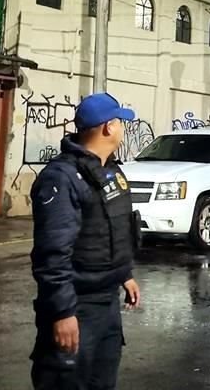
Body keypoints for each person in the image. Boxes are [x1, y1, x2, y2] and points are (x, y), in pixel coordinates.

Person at [30, 93, 142, 390]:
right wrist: (62, 312)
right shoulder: (61, 178)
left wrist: (125, 274)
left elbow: (112, 229)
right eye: (120, 122)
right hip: (77, 305)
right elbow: (52, 254)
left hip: (107, 304)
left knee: (102, 382)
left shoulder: (109, 170)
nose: (123, 128)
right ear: (108, 127)